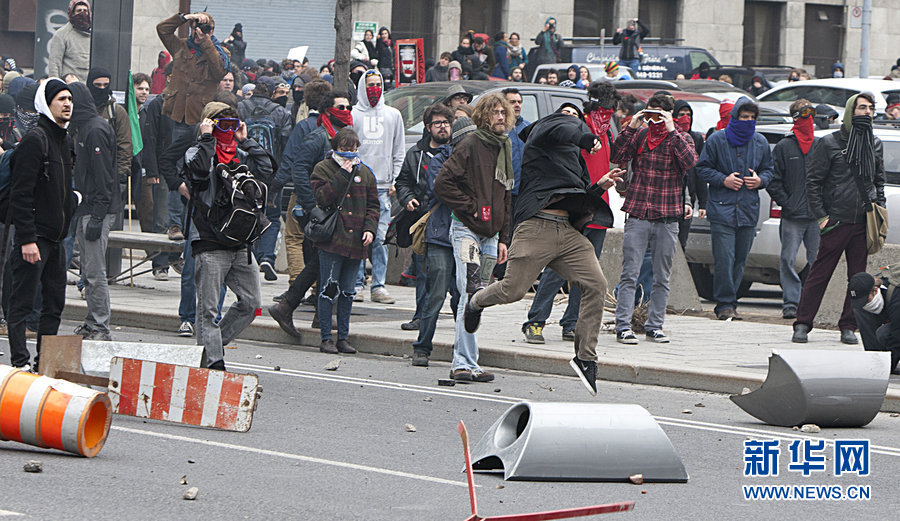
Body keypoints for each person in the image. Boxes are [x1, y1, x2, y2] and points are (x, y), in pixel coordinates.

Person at [459, 100, 621, 395]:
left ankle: (585, 358)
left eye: (577, 117)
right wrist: (586, 136)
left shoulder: (574, 158)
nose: (572, 120)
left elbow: (577, 197)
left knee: (596, 284)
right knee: (513, 290)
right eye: (568, 116)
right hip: (536, 226)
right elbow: (564, 126)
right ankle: (476, 301)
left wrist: (599, 186)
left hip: (568, 233)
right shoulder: (541, 135)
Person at [522, 83, 620, 344]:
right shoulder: (566, 130)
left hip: (595, 205)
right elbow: (567, 128)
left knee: (587, 274)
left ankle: (571, 322)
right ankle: (535, 321)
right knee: (557, 270)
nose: (606, 106)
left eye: (611, 101)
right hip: (568, 209)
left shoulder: (605, 130)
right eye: (601, 100)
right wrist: (583, 133)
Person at [433, 93, 515, 383]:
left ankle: (471, 362)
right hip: (466, 229)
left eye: (503, 113)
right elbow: (442, 183)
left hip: (491, 235)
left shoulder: (504, 146)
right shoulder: (470, 144)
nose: (501, 117)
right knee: (468, 293)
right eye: (495, 113)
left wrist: (505, 237)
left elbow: (506, 196)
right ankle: (462, 362)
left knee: (478, 299)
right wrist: (471, 209)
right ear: (483, 115)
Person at [183, 101, 270, 370]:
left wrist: (247, 141)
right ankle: (213, 362)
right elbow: (197, 174)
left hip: (241, 243)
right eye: (222, 124)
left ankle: (213, 347)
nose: (228, 131)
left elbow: (268, 169)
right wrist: (207, 138)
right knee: (207, 310)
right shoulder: (196, 152)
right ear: (208, 123)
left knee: (252, 303)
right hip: (210, 243)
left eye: (233, 124)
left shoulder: (240, 155)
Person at [792, 93, 885, 345]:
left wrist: (879, 210)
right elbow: (813, 182)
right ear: (849, 111)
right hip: (836, 220)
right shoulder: (830, 143)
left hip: (862, 221)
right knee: (819, 273)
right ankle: (802, 323)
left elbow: (878, 181)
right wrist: (822, 217)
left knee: (858, 277)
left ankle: (848, 325)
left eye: (870, 108)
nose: (867, 112)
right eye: (861, 107)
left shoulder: (875, 143)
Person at [610, 93, 698, 344]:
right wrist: (633, 125)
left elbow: (691, 162)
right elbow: (618, 155)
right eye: (650, 112)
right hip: (638, 211)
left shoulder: (681, 137)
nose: (654, 118)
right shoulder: (639, 134)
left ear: (669, 114)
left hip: (668, 215)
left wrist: (671, 129)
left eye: (659, 113)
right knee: (630, 273)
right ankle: (623, 326)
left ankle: (655, 325)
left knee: (662, 275)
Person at [6, 79, 79, 371]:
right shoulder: (36, 140)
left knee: (54, 305)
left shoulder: (66, 140)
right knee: (21, 304)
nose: (67, 104)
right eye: (61, 99)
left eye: (70, 99)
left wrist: (73, 202)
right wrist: (26, 239)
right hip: (34, 238)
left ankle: (44, 365)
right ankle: (20, 364)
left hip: (56, 240)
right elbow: (20, 195)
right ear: (46, 104)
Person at [267, 91, 353, 336]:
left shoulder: (343, 138)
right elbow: (299, 170)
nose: (345, 111)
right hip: (319, 211)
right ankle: (297, 306)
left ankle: (302, 308)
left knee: (321, 262)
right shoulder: (318, 138)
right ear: (327, 110)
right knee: (321, 261)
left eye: (348, 107)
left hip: (334, 210)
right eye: (340, 107)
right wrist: (310, 206)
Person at [696, 97, 774, 321]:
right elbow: (702, 168)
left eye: (752, 118)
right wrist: (723, 179)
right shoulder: (717, 139)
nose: (748, 121)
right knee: (725, 258)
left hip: (748, 210)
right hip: (722, 209)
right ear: (735, 117)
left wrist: (760, 181)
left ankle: (732, 301)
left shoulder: (760, 142)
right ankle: (724, 303)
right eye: (744, 117)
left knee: (740, 259)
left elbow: (769, 170)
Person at [156, 11, 229, 243]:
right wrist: (183, 17)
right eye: (196, 27)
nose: (198, 32)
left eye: (204, 28)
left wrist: (206, 40)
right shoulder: (180, 47)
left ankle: (197, 219)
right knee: (175, 168)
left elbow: (219, 71)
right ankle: (175, 223)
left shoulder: (218, 52)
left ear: (211, 31)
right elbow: (162, 30)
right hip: (177, 117)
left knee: (200, 170)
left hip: (201, 121)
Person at [309, 128, 379, 354]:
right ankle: (326, 337)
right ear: (335, 148)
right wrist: (341, 174)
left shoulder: (365, 173)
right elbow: (321, 197)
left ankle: (344, 337)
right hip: (332, 238)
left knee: (349, 291)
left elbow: (373, 206)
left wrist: (370, 229)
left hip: (357, 241)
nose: (350, 153)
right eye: (344, 149)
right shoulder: (323, 168)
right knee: (328, 289)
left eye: (353, 149)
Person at [410, 116, 473, 367]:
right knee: (435, 294)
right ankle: (422, 347)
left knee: (463, 297)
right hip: (440, 234)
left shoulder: (479, 160)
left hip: (467, 234)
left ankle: (462, 350)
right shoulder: (440, 159)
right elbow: (441, 189)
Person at [394, 103, 453, 331]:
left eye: (446, 123)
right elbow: (402, 182)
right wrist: (407, 198)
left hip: (451, 221)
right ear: (428, 127)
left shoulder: (457, 152)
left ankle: (460, 316)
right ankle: (421, 317)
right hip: (423, 221)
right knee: (423, 272)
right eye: (437, 123)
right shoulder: (415, 154)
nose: (442, 128)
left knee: (454, 277)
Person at [66, 82, 118, 341]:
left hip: (97, 209)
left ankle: (100, 325)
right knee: (88, 271)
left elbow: (104, 176)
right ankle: (93, 321)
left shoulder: (94, 130)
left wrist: (98, 215)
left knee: (95, 272)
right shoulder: (86, 127)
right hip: (89, 207)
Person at [351, 70, 404, 304]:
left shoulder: (393, 115)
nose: (374, 88)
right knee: (357, 238)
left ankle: (379, 285)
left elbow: (398, 150)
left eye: (378, 84)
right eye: (370, 84)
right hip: (357, 187)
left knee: (380, 238)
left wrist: (395, 180)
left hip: (383, 187)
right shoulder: (353, 115)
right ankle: (356, 282)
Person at [767, 99, 820, 320]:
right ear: (795, 118)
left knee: (817, 261)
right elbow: (773, 179)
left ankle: (813, 302)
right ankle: (791, 302)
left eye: (811, 113)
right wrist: (787, 202)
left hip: (817, 216)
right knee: (787, 259)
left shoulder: (819, 145)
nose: (809, 118)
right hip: (792, 216)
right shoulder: (783, 147)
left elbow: (829, 178)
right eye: (803, 113)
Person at [237, 79, 292, 282]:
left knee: (242, 214)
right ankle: (267, 257)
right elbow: (286, 147)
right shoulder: (281, 113)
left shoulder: (240, 107)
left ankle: (244, 258)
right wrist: (278, 179)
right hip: (269, 173)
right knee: (272, 216)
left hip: (242, 171)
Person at [848, 271, 900, 373]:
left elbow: (897, 336)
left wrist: (886, 369)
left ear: (875, 290)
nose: (864, 304)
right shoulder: (869, 284)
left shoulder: (896, 296)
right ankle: (873, 357)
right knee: (860, 310)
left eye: (866, 300)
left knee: (884, 334)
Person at [673, 99, 707, 247]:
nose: (685, 118)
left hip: (689, 197)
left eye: (688, 114)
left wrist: (702, 203)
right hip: (671, 194)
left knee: (682, 241)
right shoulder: (670, 137)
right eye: (681, 114)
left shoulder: (696, 138)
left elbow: (699, 171)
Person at [47, 0, 92, 82]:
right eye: (79, 11)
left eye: (85, 11)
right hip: (69, 87)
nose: (82, 14)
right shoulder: (61, 34)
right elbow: (54, 64)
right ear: (72, 13)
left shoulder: (94, 35)